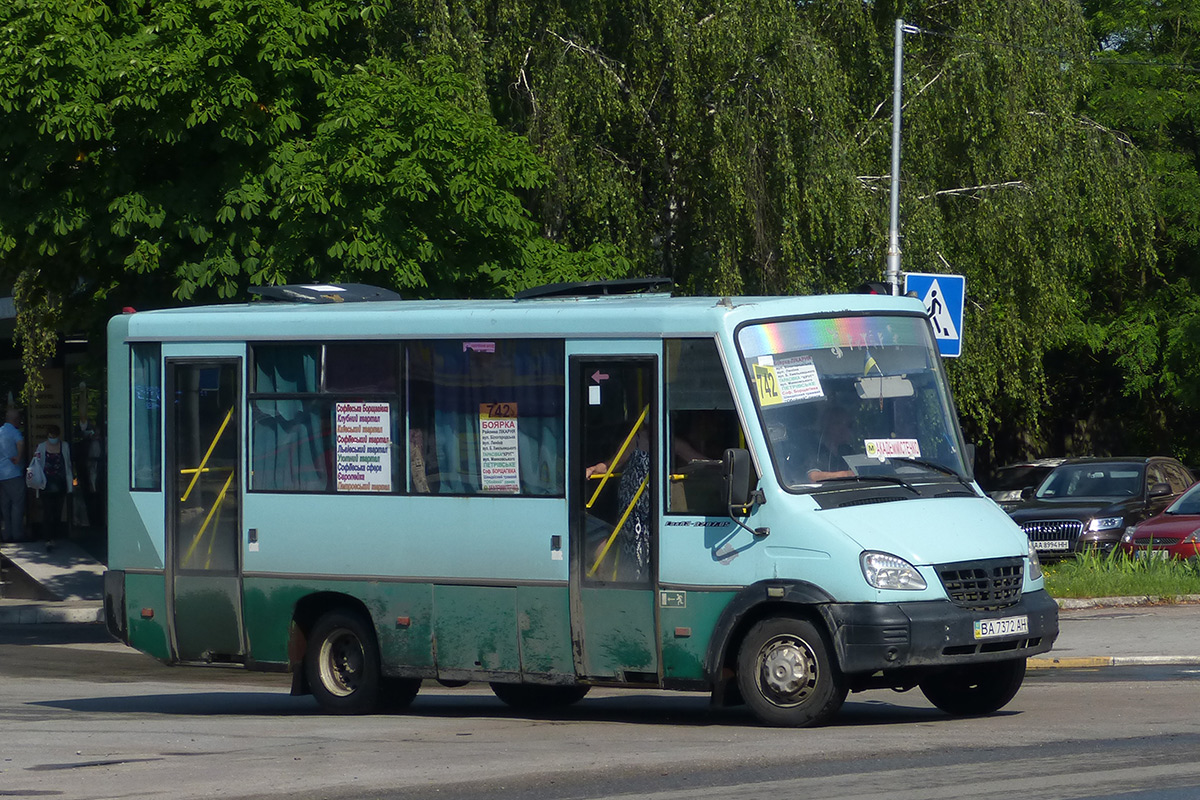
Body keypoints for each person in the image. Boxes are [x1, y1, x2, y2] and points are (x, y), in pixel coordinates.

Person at [586, 426, 651, 581]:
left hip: (652, 506)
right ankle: (633, 580)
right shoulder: (634, 440)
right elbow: (611, 464)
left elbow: (692, 457)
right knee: (633, 543)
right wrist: (593, 469)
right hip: (633, 505)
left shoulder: (668, 438)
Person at [33, 424, 73, 547]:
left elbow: (68, 464)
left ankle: (54, 535)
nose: (53, 438)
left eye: (54, 436)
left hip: (60, 484)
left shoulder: (64, 446)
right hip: (46, 484)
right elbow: (37, 464)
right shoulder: (41, 447)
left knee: (57, 512)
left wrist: (70, 484)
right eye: (51, 436)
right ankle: (48, 538)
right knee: (47, 511)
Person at [807, 405, 857, 483]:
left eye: (847, 425)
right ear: (825, 426)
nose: (843, 428)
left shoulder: (848, 450)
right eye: (837, 423)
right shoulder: (816, 450)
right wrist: (845, 475)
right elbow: (813, 476)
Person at [0, 408, 26, 543]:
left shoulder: (0, 431)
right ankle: (17, 534)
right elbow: (20, 442)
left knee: (4, 505)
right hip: (12, 473)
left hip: (1, 474)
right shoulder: (15, 432)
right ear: (16, 420)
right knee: (17, 503)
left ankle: (6, 534)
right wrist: (18, 457)